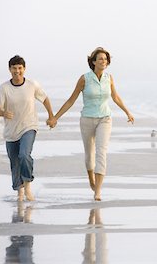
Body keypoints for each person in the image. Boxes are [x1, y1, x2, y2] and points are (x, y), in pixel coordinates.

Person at [47, 47, 134, 201]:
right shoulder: (84, 79)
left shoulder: (109, 78)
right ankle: (91, 180)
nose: (103, 61)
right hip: (87, 119)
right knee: (89, 154)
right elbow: (71, 100)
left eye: (106, 59)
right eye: (100, 59)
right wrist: (55, 117)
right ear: (93, 62)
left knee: (101, 152)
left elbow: (115, 97)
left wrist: (127, 112)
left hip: (105, 119)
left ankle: (98, 191)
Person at [0, 55, 54, 202]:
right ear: (9, 69)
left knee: (24, 155)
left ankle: (27, 186)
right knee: (14, 162)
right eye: (14, 68)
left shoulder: (32, 85)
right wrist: (3, 112)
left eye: (20, 68)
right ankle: (19, 192)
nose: (17, 71)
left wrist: (51, 116)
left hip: (29, 126)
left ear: (24, 69)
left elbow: (45, 98)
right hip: (11, 131)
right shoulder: (3, 88)